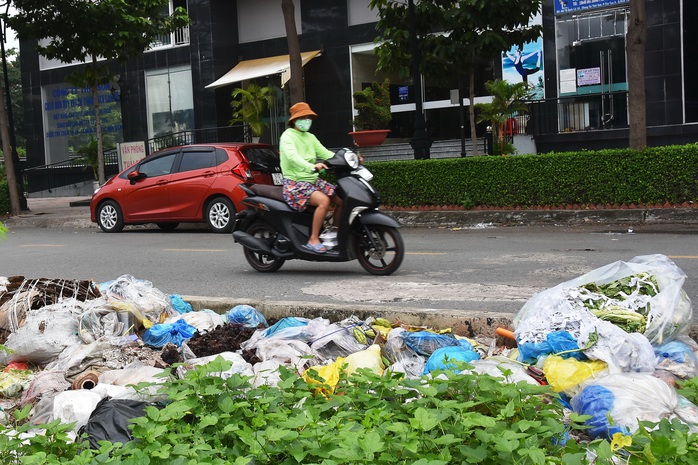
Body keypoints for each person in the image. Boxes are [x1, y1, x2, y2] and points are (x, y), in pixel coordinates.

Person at [279, 102, 342, 254]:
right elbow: (293, 157)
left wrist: (347, 158)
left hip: (312, 180)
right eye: (303, 117)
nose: (307, 120)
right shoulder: (287, 136)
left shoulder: (310, 137)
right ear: (294, 120)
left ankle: (333, 232)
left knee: (341, 199)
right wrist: (312, 167)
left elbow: (327, 153)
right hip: (295, 183)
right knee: (324, 201)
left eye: (309, 117)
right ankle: (313, 239)